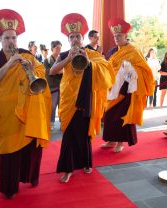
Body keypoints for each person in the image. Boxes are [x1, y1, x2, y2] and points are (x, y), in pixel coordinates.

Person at [0, 9, 51, 198]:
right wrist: (9, 65)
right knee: (9, 150)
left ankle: (30, 177)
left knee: (30, 146)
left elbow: (40, 76)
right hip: (7, 113)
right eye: (6, 38)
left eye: (13, 38)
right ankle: (9, 188)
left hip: (28, 109)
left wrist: (32, 68)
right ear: (0, 39)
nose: (11, 42)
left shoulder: (27, 56)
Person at [50, 13, 114, 183]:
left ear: (82, 37)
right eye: (72, 37)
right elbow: (52, 71)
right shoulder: (63, 54)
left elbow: (106, 70)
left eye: (78, 36)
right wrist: (69, 58)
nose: (75, 39)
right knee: (69, 135)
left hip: (85, 99)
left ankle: (86, 163)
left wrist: (89, 63)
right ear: (68, 39)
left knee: (84, 133)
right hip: (68, 101)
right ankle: (68, 169)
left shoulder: (91, 53)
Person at [101, 18, 155, 152]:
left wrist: (129, 69)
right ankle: (111, 139)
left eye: (119, 36)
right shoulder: (113, 51)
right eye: (115, 36)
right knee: (109, 115)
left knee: (121, 116)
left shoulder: (134, 51)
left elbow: (143, 69)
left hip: (126, 90)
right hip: (112, 88)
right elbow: (109, 67)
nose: (117, 38)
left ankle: (120, 142)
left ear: (126, 36)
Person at [44, 40, 62, 130]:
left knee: (62, 105)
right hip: (52, 86)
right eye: (56, 47)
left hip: (61, 85)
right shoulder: (47, 60)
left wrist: (57, 71)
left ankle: (63, 122)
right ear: (52, 49)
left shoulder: (62, 58)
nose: (59, 49)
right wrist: (57, 71)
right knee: (53, 106)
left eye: (60, 47)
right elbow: (48, 73)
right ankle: (51, 123)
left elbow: (64, 71)